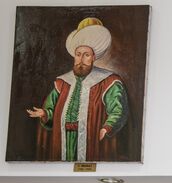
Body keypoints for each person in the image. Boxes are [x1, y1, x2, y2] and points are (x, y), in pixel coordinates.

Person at [26, 17, 129, 161]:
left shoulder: (109, 81)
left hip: (92, 138)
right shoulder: (62, 82)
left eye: (86, 55)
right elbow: (51, 109)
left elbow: (118, 110)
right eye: (78, 54)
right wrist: (45, 113)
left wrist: (106, 128)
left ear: (93, 57)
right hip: (63, 137)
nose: (81, 59)